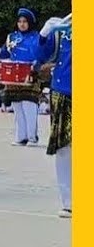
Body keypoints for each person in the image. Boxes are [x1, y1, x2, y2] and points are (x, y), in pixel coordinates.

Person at [0, 8, 50, 146]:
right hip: (13, 76)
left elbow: (43, 54)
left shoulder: (37, 37)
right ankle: (21, 137)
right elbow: (5, 54)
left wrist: (38, 63)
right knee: (17, 106)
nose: (22, 24)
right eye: (20, 21)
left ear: (30, 23)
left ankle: (32, 137)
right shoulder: (12, 37)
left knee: (29, 105)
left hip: (30, 74)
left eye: (25, 21)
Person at [40, 14, 71, 217]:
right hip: (63, 91)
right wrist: (45, 35)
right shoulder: (63, 29)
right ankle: (68, 201)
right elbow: (42, 56)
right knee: (64, 148)